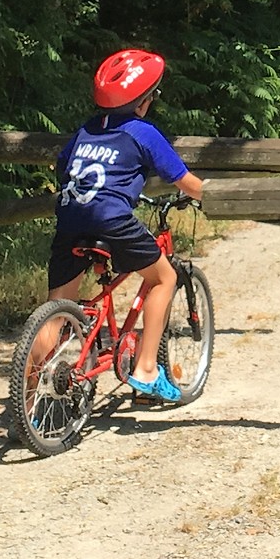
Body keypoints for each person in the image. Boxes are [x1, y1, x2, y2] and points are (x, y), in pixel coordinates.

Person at [38, 47, 205, 404]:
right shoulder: (142, 132)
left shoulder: (86, 129)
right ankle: (146, 369)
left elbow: (64, 166)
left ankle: (28, 396)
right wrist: (215, 196)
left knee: (56, 309)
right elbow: (184, 181)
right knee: (164, 278)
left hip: (70, 217)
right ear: (143, 102)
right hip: (111, 219)